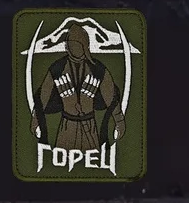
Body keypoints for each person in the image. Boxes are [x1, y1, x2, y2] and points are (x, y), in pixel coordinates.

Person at [30, 18, 122, 152]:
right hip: (67, 127)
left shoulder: (98, 69)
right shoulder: (57, 68)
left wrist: (119, 120)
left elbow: (110, 95)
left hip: (90, 126)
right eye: (70, 44)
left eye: (77, 44)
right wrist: (35, 119)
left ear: (84, 45)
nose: (73, 48)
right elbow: (43, 96)